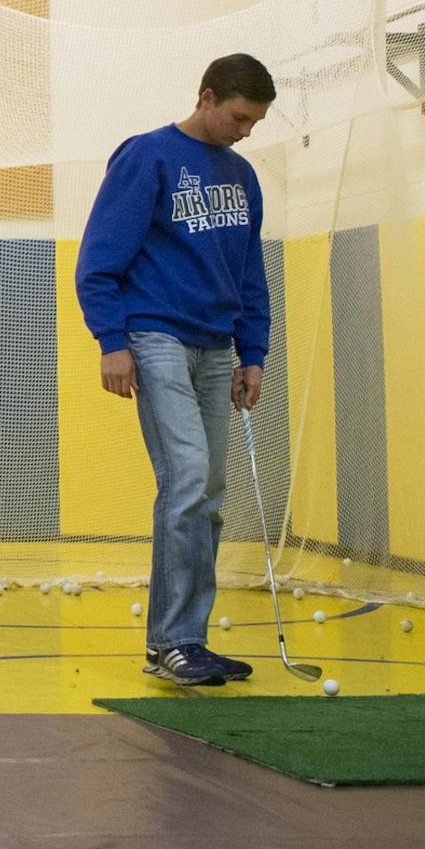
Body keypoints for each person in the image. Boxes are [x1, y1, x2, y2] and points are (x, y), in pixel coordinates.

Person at [77, 52, 275, 688]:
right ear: (208, 96)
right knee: (186, 476)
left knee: (209, 494)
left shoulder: (243, 175)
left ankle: (189, 637)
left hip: (219, 347)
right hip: (154, 335)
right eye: (239, 117)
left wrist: (253, 352)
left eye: (256, 123)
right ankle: (168, 644)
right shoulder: (147, 157)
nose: (245, 131)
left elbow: (249, 273)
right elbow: (101, 256)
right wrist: (112, 339)